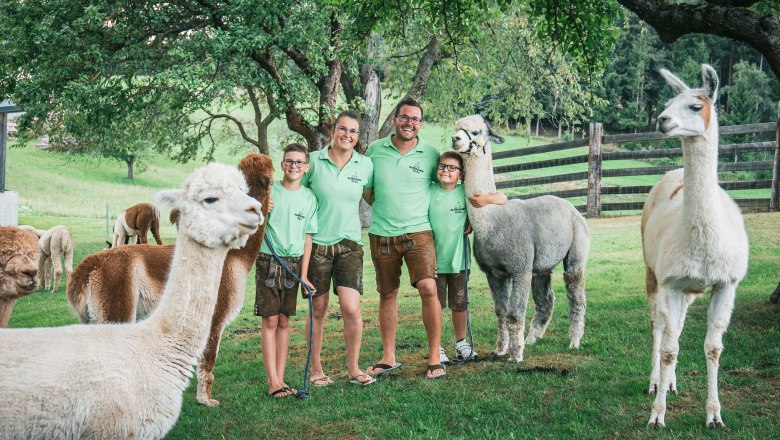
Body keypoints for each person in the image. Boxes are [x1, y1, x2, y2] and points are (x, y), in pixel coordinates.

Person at [363, 98, 445, 379]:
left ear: (421, 124)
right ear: (395, 119)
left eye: (415, 119)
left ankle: (434, 356)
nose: (409, 123)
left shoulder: (431, 154)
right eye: (404, 117)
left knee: (428, 288)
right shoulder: (375, 150)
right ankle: (389, 356)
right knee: (387, 294)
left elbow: (447, 186)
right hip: (382, 233)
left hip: (419, 231)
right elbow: (368, 191)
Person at [301, 110, 376, 386]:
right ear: (333, 131)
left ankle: (354, 369)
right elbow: (296, 192)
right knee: (317, 309)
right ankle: (316, 369)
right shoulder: (313, 161)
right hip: (317, 244)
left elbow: (374, 196)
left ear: (358, 137)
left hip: (350, 245)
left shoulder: (365, 166)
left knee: (351, 308)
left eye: (353, 131)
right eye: (343, 129)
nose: (347, 135)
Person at [429, 151, 506, 364]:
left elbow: (502, 198)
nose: (446, 170)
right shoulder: (429, 191)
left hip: (459, 261)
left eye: (452, 168)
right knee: (435, 304)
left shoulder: (465, 193)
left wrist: (482, 205)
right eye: (443, 166)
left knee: (459, 303)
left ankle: (461, 343)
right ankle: (436, 347)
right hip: (433, 261)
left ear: (461, 174)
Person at [254, 143, 318, 398]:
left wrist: (303, 274)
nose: (294, 166)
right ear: (282, 165)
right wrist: (262, 209)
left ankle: (281, 378)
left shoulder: (309, 198)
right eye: (289, 161)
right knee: (269, 319)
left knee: (283, 321)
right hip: (269, 260)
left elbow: (308, 238)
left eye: (299, 162)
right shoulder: (269, 193)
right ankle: (272, 381)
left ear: (306, 167)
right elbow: (253, 226)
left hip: (293, 264)